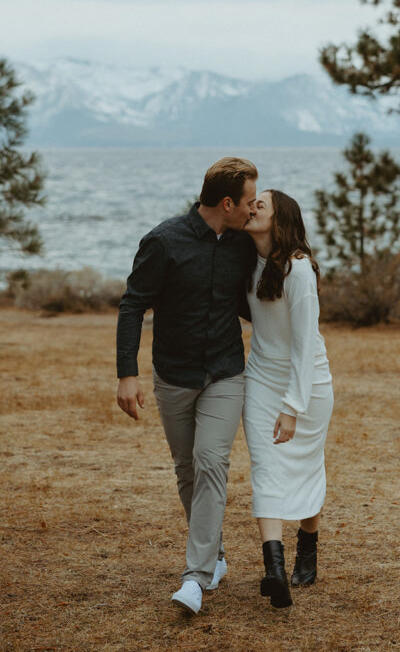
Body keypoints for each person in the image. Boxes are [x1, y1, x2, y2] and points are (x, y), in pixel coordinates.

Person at [116, 156, 258, 615]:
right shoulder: (163, 241)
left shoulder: (243, 244)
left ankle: (194, 579)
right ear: (227, 202)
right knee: (188, 470)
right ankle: (214, 556)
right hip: (173, 375)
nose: (254, 210)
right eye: (250, 202)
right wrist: (127, 374)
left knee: (211, 461)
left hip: (225, 371)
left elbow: (255, 300)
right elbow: (133, 305)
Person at [242, 189, 334, 608]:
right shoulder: (247, 262)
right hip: (261, 378)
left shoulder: (299, 271)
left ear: (280, 220)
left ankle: (308, 546)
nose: (253, 206)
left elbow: (303, 344)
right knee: (265, 465)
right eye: (252, 202)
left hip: (308, 386)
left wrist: (293, 408)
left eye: (262, 204)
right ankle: (274, 571)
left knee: (307, 466)